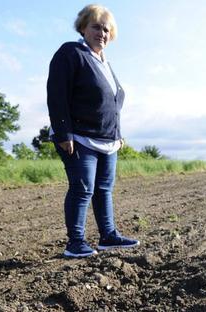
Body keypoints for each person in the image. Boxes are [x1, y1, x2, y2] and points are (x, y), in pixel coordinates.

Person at [47, 4, 140, 258]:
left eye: (107, 29)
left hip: (108, 141)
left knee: (103, 189)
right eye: (96, 27)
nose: (102, 33)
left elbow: (113, 103)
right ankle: (75, 242)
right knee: (82, 188)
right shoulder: (71, 52)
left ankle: (108, 236)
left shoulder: (105, 63)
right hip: (78, 137)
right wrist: (63, 132)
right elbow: (57, 94)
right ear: (83, 28)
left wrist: (118, 135)